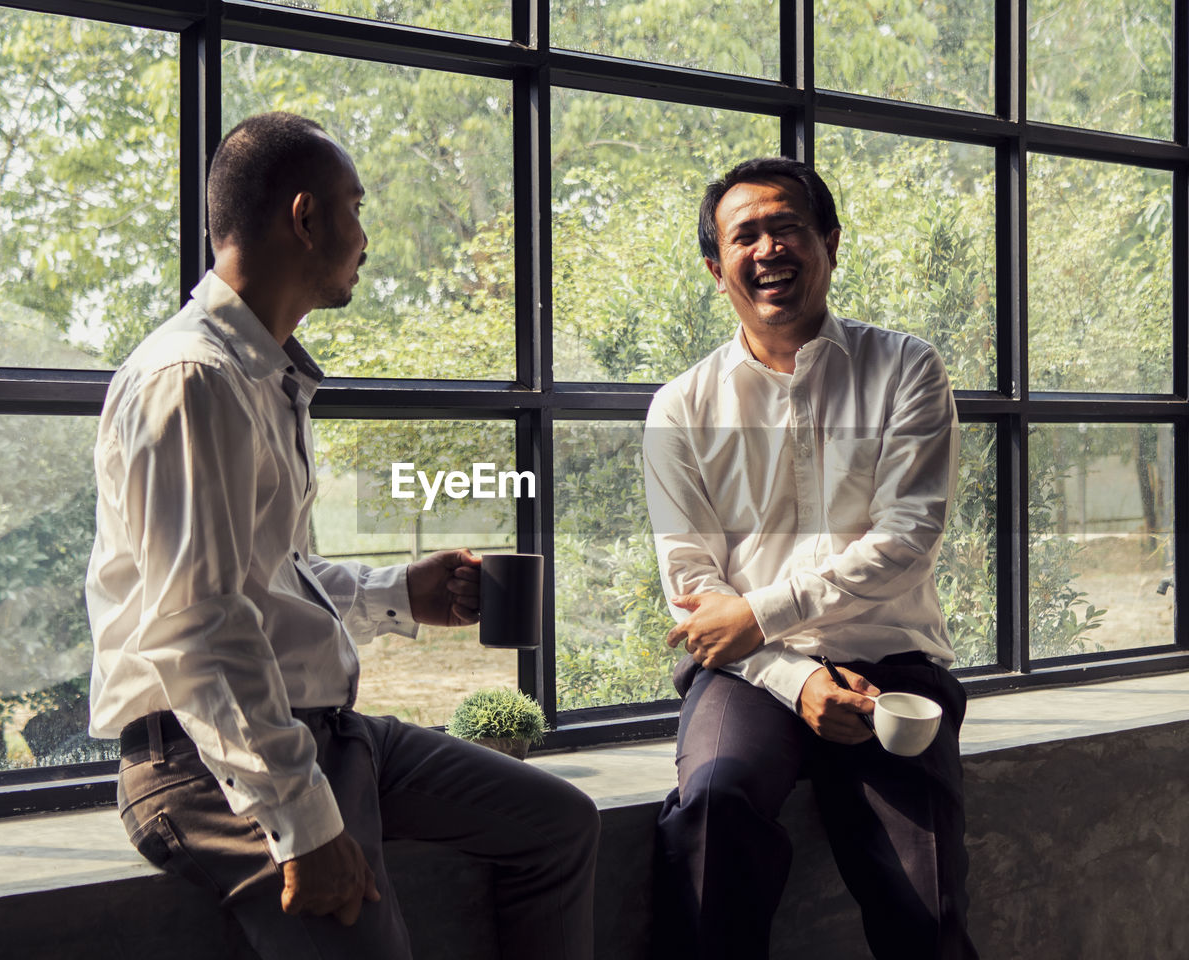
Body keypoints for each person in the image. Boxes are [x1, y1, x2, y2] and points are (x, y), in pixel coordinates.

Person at [85, 111, 598, 960]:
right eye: (355, 208)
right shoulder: (192, 382)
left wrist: (401, 595)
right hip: (205, 765)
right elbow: (197, 629)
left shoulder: (262, 375)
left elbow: (268, 574)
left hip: (329, 731)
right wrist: (301, 822)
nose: (367, 237)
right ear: (305, 216)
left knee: (559, 824)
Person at [643, 157, 978, 959]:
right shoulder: (681, 407)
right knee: (715, 807)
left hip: (893, 663)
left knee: (923, 902)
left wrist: (760, 610)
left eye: (787, 227)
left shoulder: (907, 368)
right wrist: (796, 679)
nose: (768, 249)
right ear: (715, 267)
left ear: (829, 241)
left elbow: (905, 541)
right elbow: (694, 589)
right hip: (751, 674)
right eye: (744, 235)